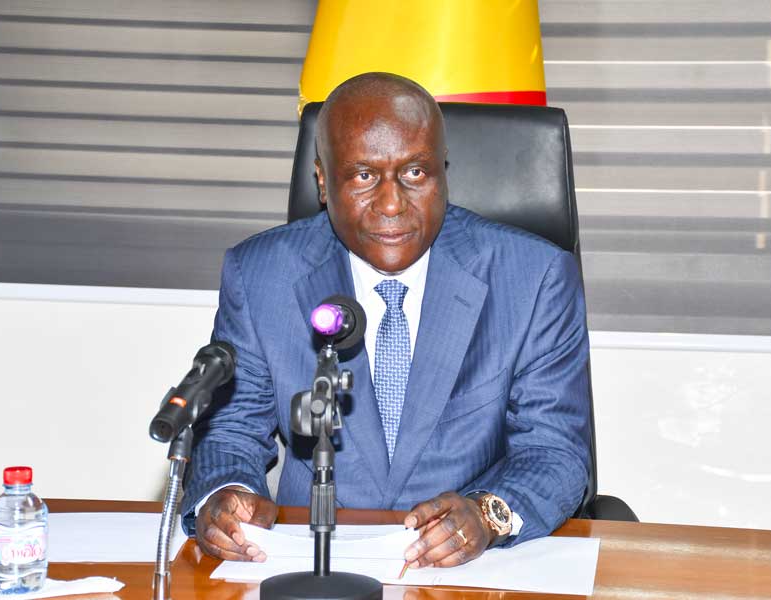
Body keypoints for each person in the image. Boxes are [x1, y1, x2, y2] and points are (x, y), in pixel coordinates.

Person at [181, 72, 591, 569]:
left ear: (442, 170)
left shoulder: (532, 277)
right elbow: (230, 432)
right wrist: (225, 497)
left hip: (470, 571)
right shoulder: (261, 274)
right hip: (310, 564)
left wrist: (487, 515)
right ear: (322, 182)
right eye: (363, 176)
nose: (393, 204)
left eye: (415, 172)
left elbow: (555, 451)